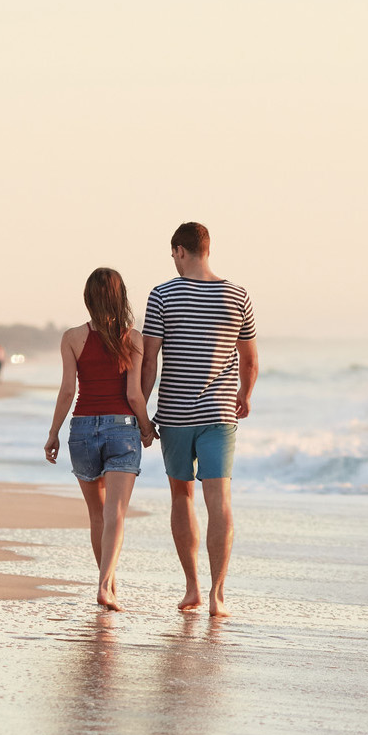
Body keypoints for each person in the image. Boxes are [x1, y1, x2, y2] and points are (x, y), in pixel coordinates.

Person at [141, 221, 257, 617]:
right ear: (207, 249)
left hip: (174, 415)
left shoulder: (161, 296)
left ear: (180, 251)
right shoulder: (238, 295)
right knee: (219, 500)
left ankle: (191, 588)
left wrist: (140, 409)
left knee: (181, 495)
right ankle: (217, 595)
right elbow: (250, 358)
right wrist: (245, 394)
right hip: (220, 414)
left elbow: (150, 359)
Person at [44, 267, 154, 611]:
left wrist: (53, 433)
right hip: (122, 429)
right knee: (116, 514)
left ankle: (108, 586)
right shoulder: (132, 338)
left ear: (88, 299)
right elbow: (135, 395)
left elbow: (67, 391)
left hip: (81, 430)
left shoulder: (72, 338)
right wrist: (146, 428)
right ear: (120, 299)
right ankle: (105, 586)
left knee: (97, 514)